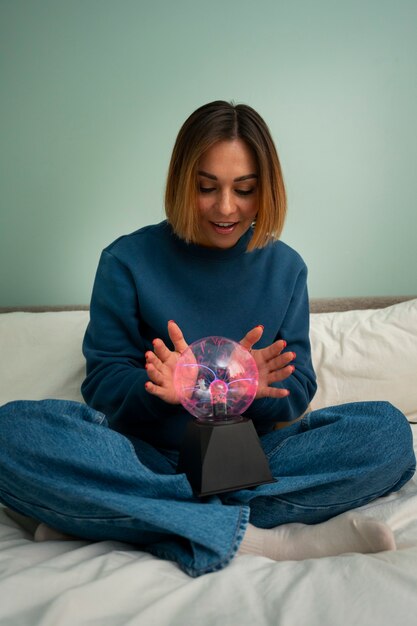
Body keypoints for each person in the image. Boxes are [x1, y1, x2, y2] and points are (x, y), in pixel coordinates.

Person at [0, 101, 415, 577]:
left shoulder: (286, 269)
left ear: (267, 189)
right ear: (182, 182)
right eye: (206, 187)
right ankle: (258, 536)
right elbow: (104, 383)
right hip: (145, 459)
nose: (225, 207)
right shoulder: (126, 260)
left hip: (255, 462)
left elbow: (297, 388)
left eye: (244, 189)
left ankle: (121, 518)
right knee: (12, 431)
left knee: (386, 430)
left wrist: (255, 391)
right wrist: (160, 390)